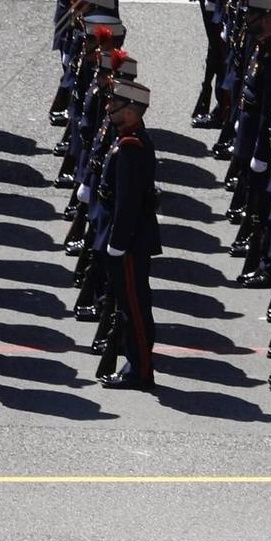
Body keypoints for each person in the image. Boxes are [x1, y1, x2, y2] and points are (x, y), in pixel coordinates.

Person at [99, 75, 160, 390]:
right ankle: (136, 362)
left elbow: (127, 202)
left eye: (116, 104)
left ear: (133, 111)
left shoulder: (131, 146)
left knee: (134, 306)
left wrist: (117, 242)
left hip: (130, 240)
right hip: (131, 238)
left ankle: (141, 369)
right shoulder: (128, 139)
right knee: (130, 305)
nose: (109, 107)